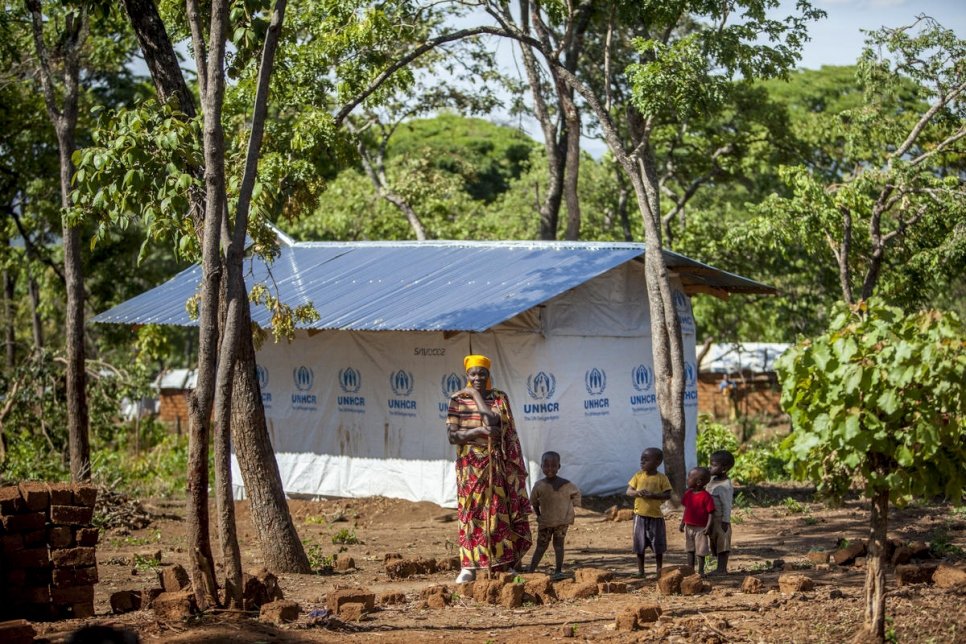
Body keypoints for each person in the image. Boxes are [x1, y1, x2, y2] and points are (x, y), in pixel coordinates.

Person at [446, 354, 532, 583]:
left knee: (497, 512)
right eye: (473, 374)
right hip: (469, 468)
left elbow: (493, 421)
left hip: (495, 462)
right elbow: (452, 436)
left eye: (482, 373)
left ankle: (503, 563)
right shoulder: (458, 400)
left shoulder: (499, 397)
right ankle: (469, 566)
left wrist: (476, 396)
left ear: (488, 375)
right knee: (470, 513)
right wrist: (477, 432)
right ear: (467, 375)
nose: (477, 378)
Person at [528, 451, 581, 578]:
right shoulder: (539, 486)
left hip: (561, 523)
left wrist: (569, 509)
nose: (550, 469)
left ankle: (558, 571)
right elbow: (534, 502)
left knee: (559, 545)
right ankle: (531, 570)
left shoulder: (567, 485)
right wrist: (539, 516)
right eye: (546, 466)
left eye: (553, 466)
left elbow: (576, 495)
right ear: (541, 467)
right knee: (541, 547)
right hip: (545, 522)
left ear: (559, 467)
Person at [626, 447, 672, 578]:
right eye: (641, 459)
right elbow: (628, 491)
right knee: (639, 545)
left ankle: (659, 570)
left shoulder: (662, 478)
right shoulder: (638, 476)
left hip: (656, 517)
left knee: (658, 545)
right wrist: (637, 493)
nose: (642, 462)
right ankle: (641, 571)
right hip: (640, 516)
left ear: (657, 462)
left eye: (646, 460)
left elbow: (667, 495)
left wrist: (653, 495)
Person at [679, 466, 715, 575]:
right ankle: (690, 570)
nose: (687, 479)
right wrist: (682, 523)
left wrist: (708, 526)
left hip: (701, 528)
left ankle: (701, 570)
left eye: (689, 477)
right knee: (690, 548)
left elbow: (711, 512)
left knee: (701, 550)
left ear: (699, 482)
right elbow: (686, 509)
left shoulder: (706, 496)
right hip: (688, 526)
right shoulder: (688, 494)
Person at [706, 449, 736, 575]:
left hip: (721, 520)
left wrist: (726, 521)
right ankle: (719, 568)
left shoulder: (725, 486)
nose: (710, 467)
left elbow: (727, 505)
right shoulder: (712, 481)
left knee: (722, 544)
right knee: (714, 543)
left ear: (723, 469)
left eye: (713, 465)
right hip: (712, 519)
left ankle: (722, 569)